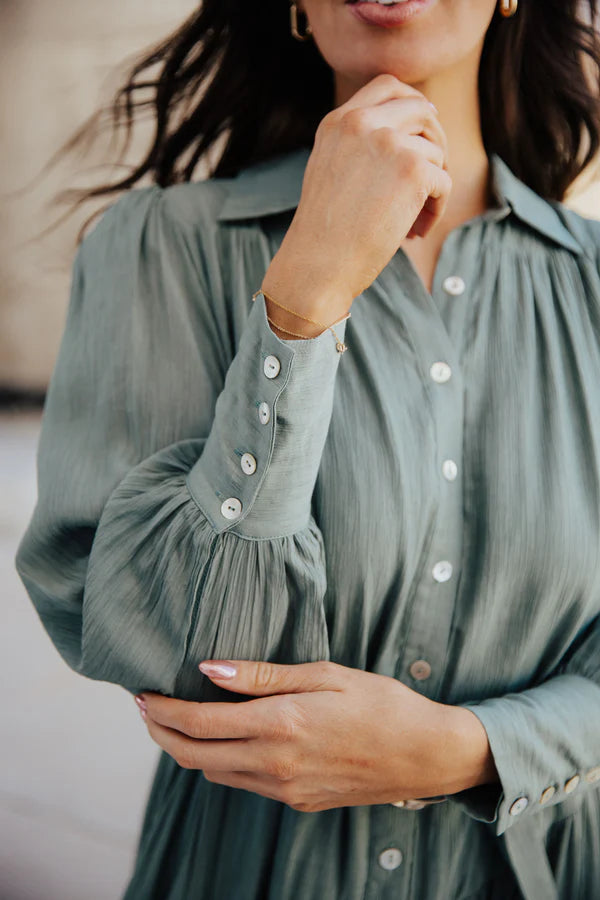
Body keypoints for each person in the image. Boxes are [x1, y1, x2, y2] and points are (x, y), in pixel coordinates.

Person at [15, 0, 600, 897]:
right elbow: (176, 655)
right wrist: (306, 292)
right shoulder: (158, 247)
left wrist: (466, 750)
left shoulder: (591, 288)